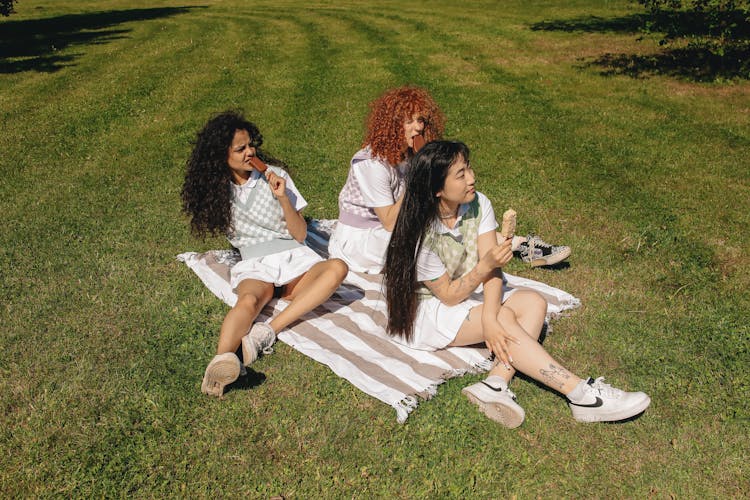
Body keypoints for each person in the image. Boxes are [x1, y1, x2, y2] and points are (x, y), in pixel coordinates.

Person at [382, 140, 650, 427]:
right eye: (461, 175)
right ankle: (581, 395)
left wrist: (488, 314)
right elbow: (448, 295)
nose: (472, 178)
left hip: (468, 291)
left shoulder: (477, 204)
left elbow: (493, 269)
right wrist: (490, 302)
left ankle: (495, 382)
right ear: (437, 188)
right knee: (506, 316)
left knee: (534, 301)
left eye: (469, 168)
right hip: (428, 310)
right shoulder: (418, 233)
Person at [182, 111, 348, 397]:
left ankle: (266, 332)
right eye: (240, 149)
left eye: (251, 145)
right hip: (255, 263)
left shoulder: (276, 176)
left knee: (337, 269)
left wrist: (283, 197)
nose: (250, 152)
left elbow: (299, 234)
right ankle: (222, 360)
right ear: (222, 155)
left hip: (295, 259)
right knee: (248, 301)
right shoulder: (217, 190)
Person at [329, 85, 569, 273]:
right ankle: (509, 247)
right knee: (434, 246)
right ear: (392, 125)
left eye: (420, 120)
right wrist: (416, 177)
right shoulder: (372, 164)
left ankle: (519, 245)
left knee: (452, 218)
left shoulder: (411, 153)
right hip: (364, 239)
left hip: (402, 226)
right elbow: (390, 223)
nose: (417, 128)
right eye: (408, 121)